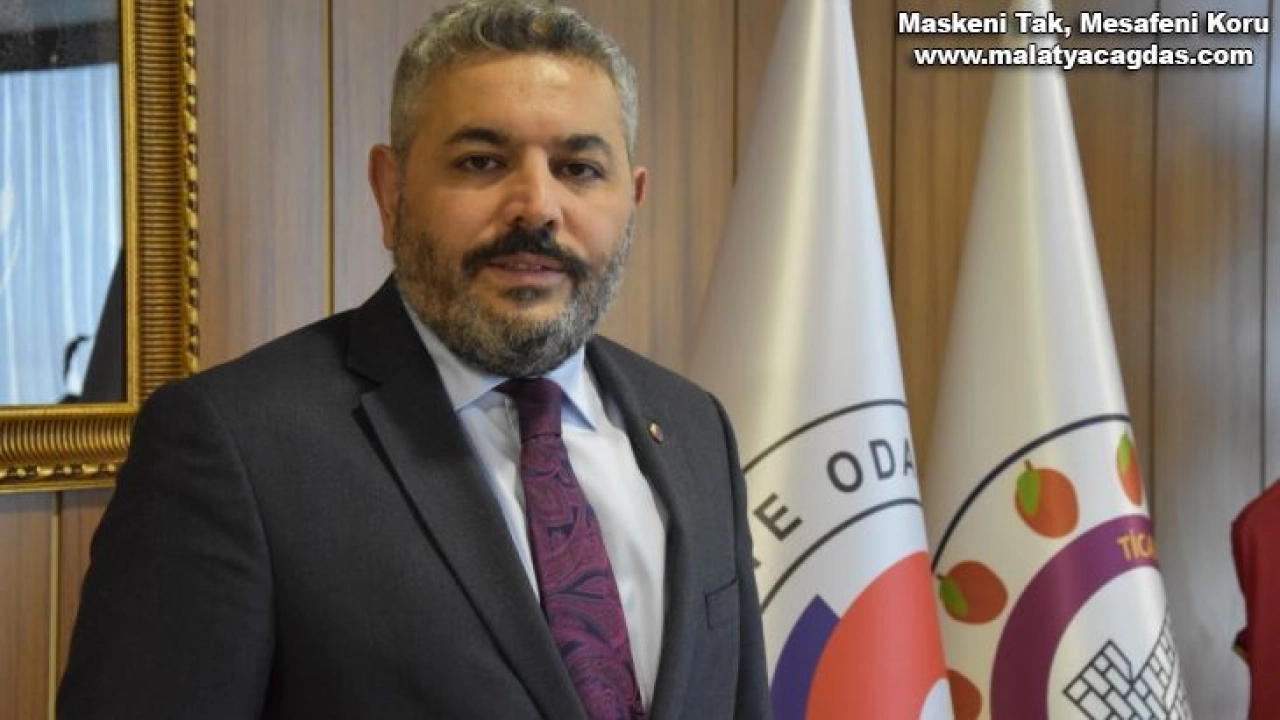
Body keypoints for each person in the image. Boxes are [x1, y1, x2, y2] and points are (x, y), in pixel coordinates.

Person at [57, 1, 770, 718]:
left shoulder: (694, 429)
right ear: (390, 191)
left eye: (579, 168)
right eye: (482, 162)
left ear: (633, 199)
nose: (537, 207)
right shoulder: (235, 446)